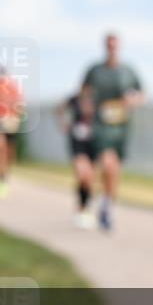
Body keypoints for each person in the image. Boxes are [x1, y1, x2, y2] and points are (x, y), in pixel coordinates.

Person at [81, 33, 145, 231]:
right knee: (107, 163)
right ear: (105, 46)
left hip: (121, 126)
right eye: (109, 45)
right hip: (101, 124)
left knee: (115, 169)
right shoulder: (95, 70)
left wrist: (133, 100)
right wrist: (87, 107)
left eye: (115, 45)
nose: (112, 49)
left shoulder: (128, 71)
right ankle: (105, 204)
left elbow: (142, 94)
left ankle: (108, 205)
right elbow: (83, 92)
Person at [57, 92, 97, 229]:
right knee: (82, 174)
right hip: (77, 144)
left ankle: (85, 207)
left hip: (92, 144)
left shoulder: (99, 98)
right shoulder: (74, 99)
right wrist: (63, 124)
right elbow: (59, 109)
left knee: (89, 178)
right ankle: (80, 208)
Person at [0, 67, 24, 199]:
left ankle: (4, 175)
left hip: (10, 122)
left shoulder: (13, 87)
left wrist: (15, 117)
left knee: (8, 152)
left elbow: (19, 104)